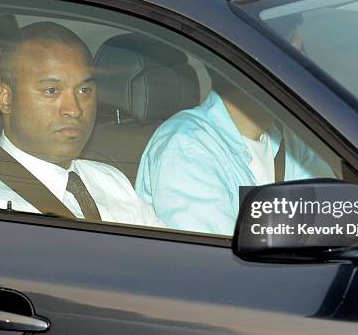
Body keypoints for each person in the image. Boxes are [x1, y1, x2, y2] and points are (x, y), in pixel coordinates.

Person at [0, 21, 163, 227]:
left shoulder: (111, 181)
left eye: (84, 91)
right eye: (51, 90)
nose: (75, 110)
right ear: (6, 100)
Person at [135, 71, 334, 236]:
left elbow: (339, 225)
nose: (303, 76)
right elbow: (219, 265)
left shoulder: (294, 143)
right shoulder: (185, 146)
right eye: (288, 59)